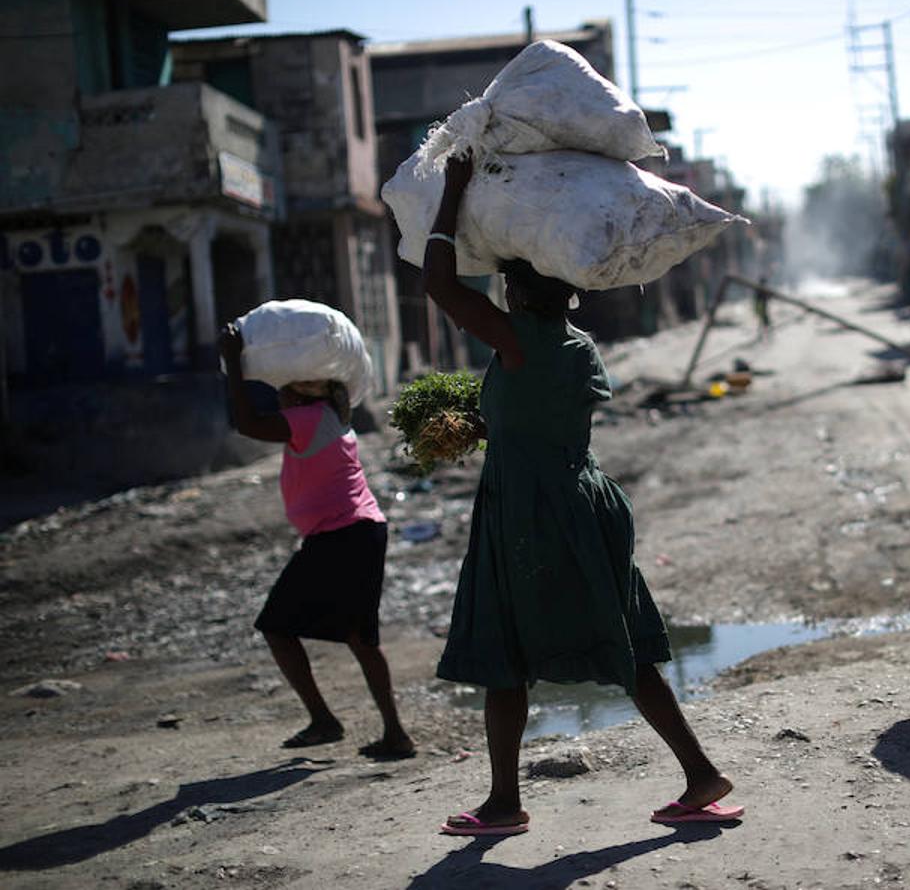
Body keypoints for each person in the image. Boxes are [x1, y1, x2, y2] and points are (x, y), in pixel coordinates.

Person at [422, 154, 741, 837]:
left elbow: (440, 283)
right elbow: (541, 419)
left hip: (529, 514)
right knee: (622, 642)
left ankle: (505, 803)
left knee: (503, 650)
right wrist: (476, 425)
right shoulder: (576, 345)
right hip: (582, 503)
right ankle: (699, 774)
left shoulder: (516, 339)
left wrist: (451, 190)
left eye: (507, 283)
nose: (500, 294)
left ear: (519, 292)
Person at [219, 327, 414, 759]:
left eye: (282, 391)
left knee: (279, 626)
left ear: (298, 394)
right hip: (353, 533)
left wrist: (234, 363)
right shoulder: (330, 417)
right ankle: (390, 732)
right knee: (358, 636)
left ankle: (332, 722)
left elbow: (247, 423)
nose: (278, 399)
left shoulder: (308, 420)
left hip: (342, 535)